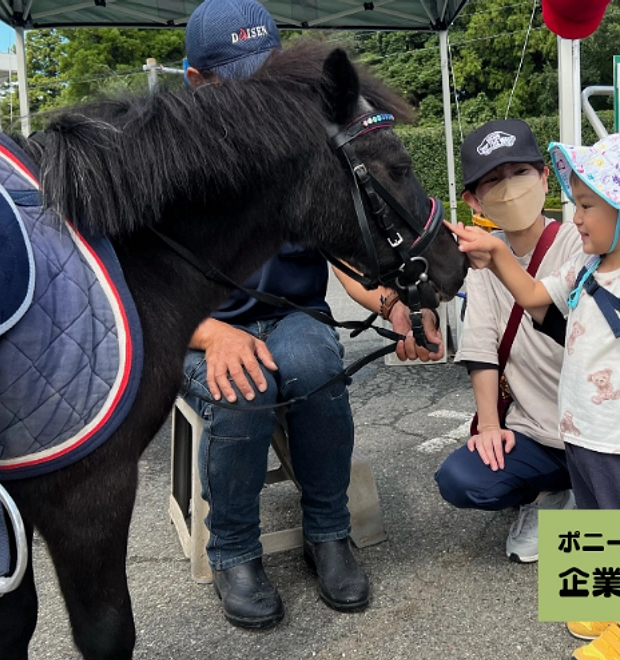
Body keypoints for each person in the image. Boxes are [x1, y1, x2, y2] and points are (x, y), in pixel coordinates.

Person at [182, 0, 441, 629]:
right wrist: (214, 334)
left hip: (294, 315)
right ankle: (234, 551)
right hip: (197, 329)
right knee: (243, 387)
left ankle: (329, 532)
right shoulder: (172, 162)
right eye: (241, 80)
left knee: (315, 364)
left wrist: (393, 307)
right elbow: (139, 292)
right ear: (197, 80)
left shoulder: (298, 153)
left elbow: (344, 256)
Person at [449, 130, 620, 660]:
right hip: (584, 433)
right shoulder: (587, 268)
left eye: (587, 206)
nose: (578, 217)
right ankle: (613, 603)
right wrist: (496, 252)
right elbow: (535, 295)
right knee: (596, 519)